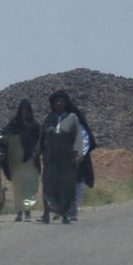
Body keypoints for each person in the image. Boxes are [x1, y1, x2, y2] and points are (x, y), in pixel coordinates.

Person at [39, 90, 82, 224]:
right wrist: (37, 151)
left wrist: (76, 151)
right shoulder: (49, 118)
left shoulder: (72, 117)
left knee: (66, 186)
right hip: (50, 157)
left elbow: (78, 136)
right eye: (56, 101)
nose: (58, 103)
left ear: (65, 103)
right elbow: (42, 136)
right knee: (48, 185)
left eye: (61, 101)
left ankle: (65, 214)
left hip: (67, 158)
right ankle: (47, 212)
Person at [1, 99, 41, 221]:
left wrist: (36, 152)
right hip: (15, 161)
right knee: (18, 187)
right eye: (22, 110)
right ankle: (19, 212)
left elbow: (40, 140)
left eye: (26, 110)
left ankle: (27, 211)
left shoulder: (35, 126)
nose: (24, 113)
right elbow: (2, 137)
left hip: (30, 160)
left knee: (30, 186)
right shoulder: (13, 125)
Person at [67, 106, 98, 222]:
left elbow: (84, 142)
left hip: (79, 161)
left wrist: (79, 155)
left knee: (78, 185)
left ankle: (73, 210)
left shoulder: (81, 128)